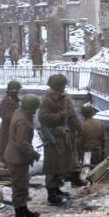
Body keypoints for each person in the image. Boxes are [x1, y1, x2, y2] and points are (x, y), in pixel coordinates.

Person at [39, 74, 85, 206]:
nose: (65, 87)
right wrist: (60, 115)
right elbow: (43, 117)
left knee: (59, 165)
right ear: (59, 86)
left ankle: (56, 189)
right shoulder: (48, 100)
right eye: (63, 85)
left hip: (60, 137)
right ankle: (51, 195)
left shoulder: (60, 98)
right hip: (53, 137)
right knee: (52, 166)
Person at [3, 95, 41, 217]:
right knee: (19, 187)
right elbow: (22, 142)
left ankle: (24, 211)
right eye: (35, 108)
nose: (36, 111)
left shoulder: (19, 112)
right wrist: (33, 153)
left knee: (23, 185)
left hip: (17, 157)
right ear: (31, 108)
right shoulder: (23, 121)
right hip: (17, 158)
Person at [0, 80, 22, 163]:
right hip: (8, 129)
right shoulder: (9, 101)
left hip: (10, 128)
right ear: (14, 90)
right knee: (6, 147)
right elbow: (5, 115)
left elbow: (1, 113)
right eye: (17, 90)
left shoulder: (11, 99)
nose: (18, 92)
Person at [79, 103, 106, 167]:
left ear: (83, 113)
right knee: (96, 171)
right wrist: (102, 152)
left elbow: (79, 143)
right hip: (98, 152)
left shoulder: (82, 126)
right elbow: (103, 141)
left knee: (86, 171)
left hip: (87, 154)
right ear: (92, 112)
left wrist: (79, 157)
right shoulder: (100, 124)